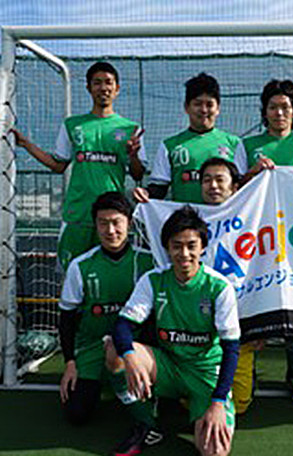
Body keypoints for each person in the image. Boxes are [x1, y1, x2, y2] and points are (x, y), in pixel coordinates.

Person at [106, 206, 240, 456]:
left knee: (214, 451)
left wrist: (218, 402)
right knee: (116, 350)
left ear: (203, 247)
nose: (184, 253)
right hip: (167, 365)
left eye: (191, 245)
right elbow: (123, 325)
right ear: (167, 248)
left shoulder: (219, 287)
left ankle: (200, 409)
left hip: (205, 373)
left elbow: (231, 349)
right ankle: (146, 423)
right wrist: (130, 358)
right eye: (177, 246)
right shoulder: (153, 280)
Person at [12, 62, 147, 270]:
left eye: (108, 82)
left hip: (112, 218)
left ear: (117, 88)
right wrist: (26, 144)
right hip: (77, 215)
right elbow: (58, 165)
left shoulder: (130, 129)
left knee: (110, 274)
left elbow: (138, 174)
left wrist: (133, 155)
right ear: (88, 88)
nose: (103, 88)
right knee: (71, 276)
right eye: (97, 83)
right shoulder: (73, 125)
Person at [242, 79, 293, 405]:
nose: (279, 113)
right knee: (254, 302)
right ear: (264, 111)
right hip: (258, 239)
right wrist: (252, 173)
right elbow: (234, 189)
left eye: (286, 107)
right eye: (273, 107)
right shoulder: (247, 146)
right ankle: (248, 369)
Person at [58, 191, 154, 425]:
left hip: (134, 349)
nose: (110, 230)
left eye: (116, 222)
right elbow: (66, 318)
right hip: (92, 348)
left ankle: (136, 380)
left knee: (165, 407)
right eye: (103, 223)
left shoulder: (148, 262)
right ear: (95, 225)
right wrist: (69, 363)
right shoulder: (80, 266)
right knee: (77, 414)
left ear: (129, 223)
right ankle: (101, 377)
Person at [199, 157, 260, 415]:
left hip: (241, 323)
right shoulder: (188, 219)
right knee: (192, 403)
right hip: (200, 328)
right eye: (207, 180)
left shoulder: (254, 217)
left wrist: (262, 327)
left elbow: (268, 268)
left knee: (241, 404)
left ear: (235, 186)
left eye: (219, 179)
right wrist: (146, 203)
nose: (213, 185)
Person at [133, 73, 246, 204]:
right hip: (186, 216)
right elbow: (159, 189)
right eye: (198, 104)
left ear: (218, 109)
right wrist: (145, 194)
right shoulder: (170, 146)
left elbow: (242, 187)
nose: (204, 110)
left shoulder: (234, 144)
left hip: (223, 216)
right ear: (186, 107)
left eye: (209, 104)